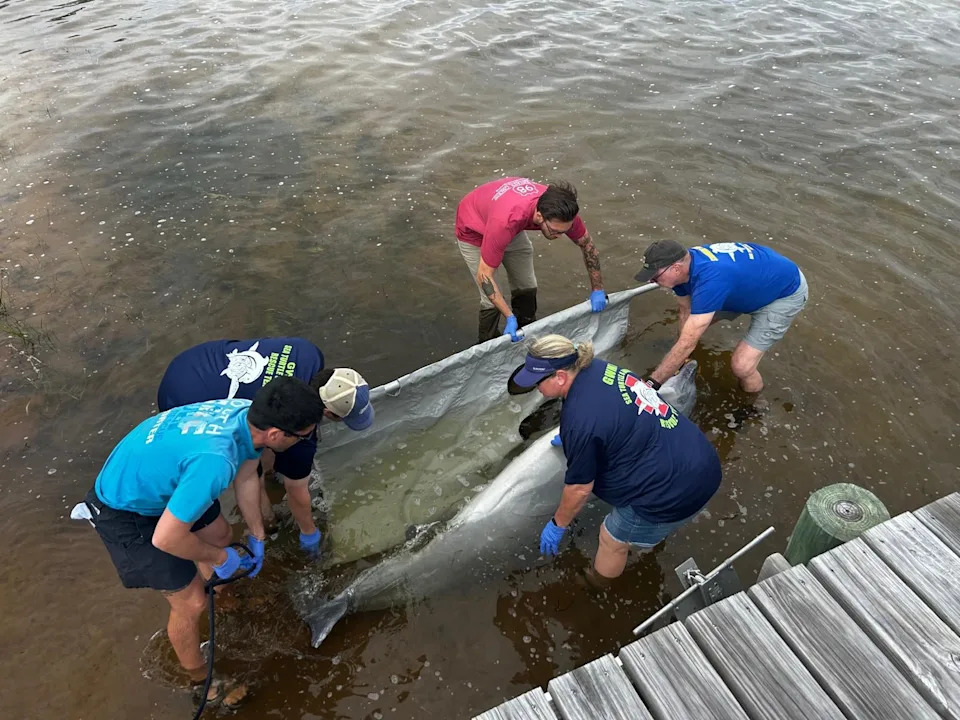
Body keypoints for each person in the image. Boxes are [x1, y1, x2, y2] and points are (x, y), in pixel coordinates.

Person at [83, 377, 325, 707]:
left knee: (222, 535)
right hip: (124, 509)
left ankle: (223, 597)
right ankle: (201, 681)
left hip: (167, 478)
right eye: (303, 435)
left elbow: (247, 475)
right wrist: (222, 559)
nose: (306, 440)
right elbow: (166, 538)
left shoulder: (245, 413)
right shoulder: (215, 462)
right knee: (191, 603)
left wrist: (257, 535)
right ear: (275, 435)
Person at [508, 334, 721, 587]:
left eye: (538, 383)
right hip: (698, 455)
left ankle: (598, 585)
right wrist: (579, 439)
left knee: (611, 538)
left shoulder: (581, 420)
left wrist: (558, 524)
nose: (537, 390)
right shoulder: (596, 367)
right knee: (642, 528)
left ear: (560, 377)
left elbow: (579, 489)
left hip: (674, 489)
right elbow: (617, 411)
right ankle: (650, 537)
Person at [157, 337, 374, 553]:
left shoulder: (308, 352)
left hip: (192, 363)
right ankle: (267, 523)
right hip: (185, 404)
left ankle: (265, 490)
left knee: (260, 448)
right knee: (241, 467)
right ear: (327, 413)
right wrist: (309, 532)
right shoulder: (301, 428)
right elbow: (296, 492)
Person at [634, 240, 808, 393]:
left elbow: (688, 341)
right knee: (691, 330)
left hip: (783, 293)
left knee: (742, 366)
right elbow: (685, 310)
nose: (651, 281)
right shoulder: (683, 268)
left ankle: (753, 406)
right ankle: (682, 358)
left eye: (655, 277)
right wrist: (681, 352)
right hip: (744, 284)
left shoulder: (711, 281)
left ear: (676, 269)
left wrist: (652, 383)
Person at [455, 177, 607, 344]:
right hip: (474, 229)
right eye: (555, 231)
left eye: (564, 231)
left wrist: (597, 289)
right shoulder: (505, 222)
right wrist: (509, 316)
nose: (559, 236)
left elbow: (588, 246)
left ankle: (526, 328)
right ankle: (486, 341)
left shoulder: (564, 215)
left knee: (527, 286)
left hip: (507, 219)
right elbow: (484, 276)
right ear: (539, 216)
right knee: (490, 301)